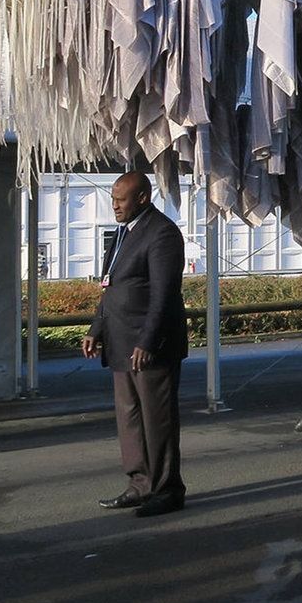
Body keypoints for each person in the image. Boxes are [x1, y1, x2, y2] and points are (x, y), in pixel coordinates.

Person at [82, 171, 189, 518]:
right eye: (113, 199)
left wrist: (147, 340)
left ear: (142, 197)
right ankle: (139, 484)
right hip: (119, 343)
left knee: (157, 420)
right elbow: (110, 286)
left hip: (150, 347)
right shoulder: (123, 232)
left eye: (121, 200)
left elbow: (164, 294)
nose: (114, 206)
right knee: (129, 420)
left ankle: (166, 489)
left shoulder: (162, 233)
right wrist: (95, 329)